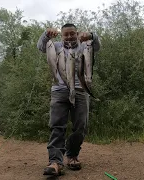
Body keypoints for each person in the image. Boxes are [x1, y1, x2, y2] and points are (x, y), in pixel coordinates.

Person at [37, 23, 101, 176]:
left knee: (81, 126)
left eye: (72, 33)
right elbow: (40, 46)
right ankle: (55, 162)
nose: (69, 36)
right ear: (61, 36)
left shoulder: (85, 45)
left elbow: (97, 46)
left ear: (77, 33)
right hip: (59, 90)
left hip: (80, 90)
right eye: (66, 34)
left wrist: (92, 35)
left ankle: (72, 155)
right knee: (56, 126)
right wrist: (46, 34)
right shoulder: (55, 46)